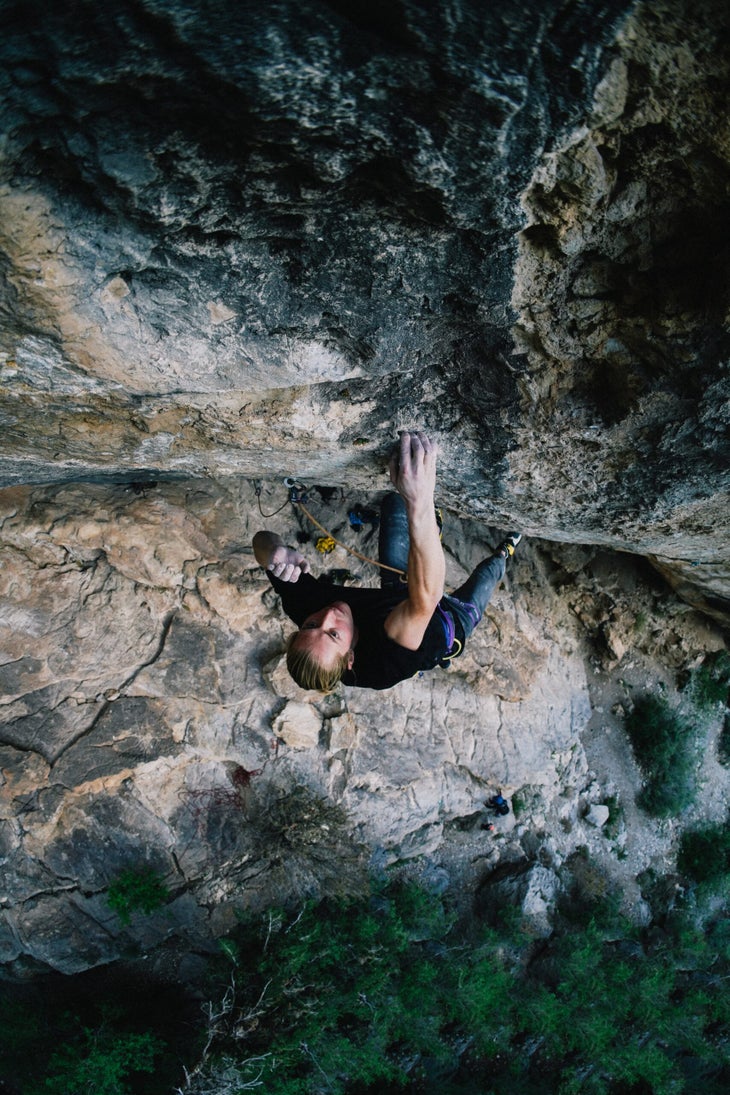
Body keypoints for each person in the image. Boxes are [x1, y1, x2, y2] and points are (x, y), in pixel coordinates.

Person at [253, 431, 521, 691]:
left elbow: (261, 541)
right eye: (334, 634)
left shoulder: (309, 617)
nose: (327, 616)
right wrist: (420, 498)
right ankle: (507, 547)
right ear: (350, 658)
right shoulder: (383, 664)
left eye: (311, 625)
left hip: (400, 593)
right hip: (449, 624)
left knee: (396, 501)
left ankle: (431, 528)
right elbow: (427, 599)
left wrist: (277, 552)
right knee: (489, 571)